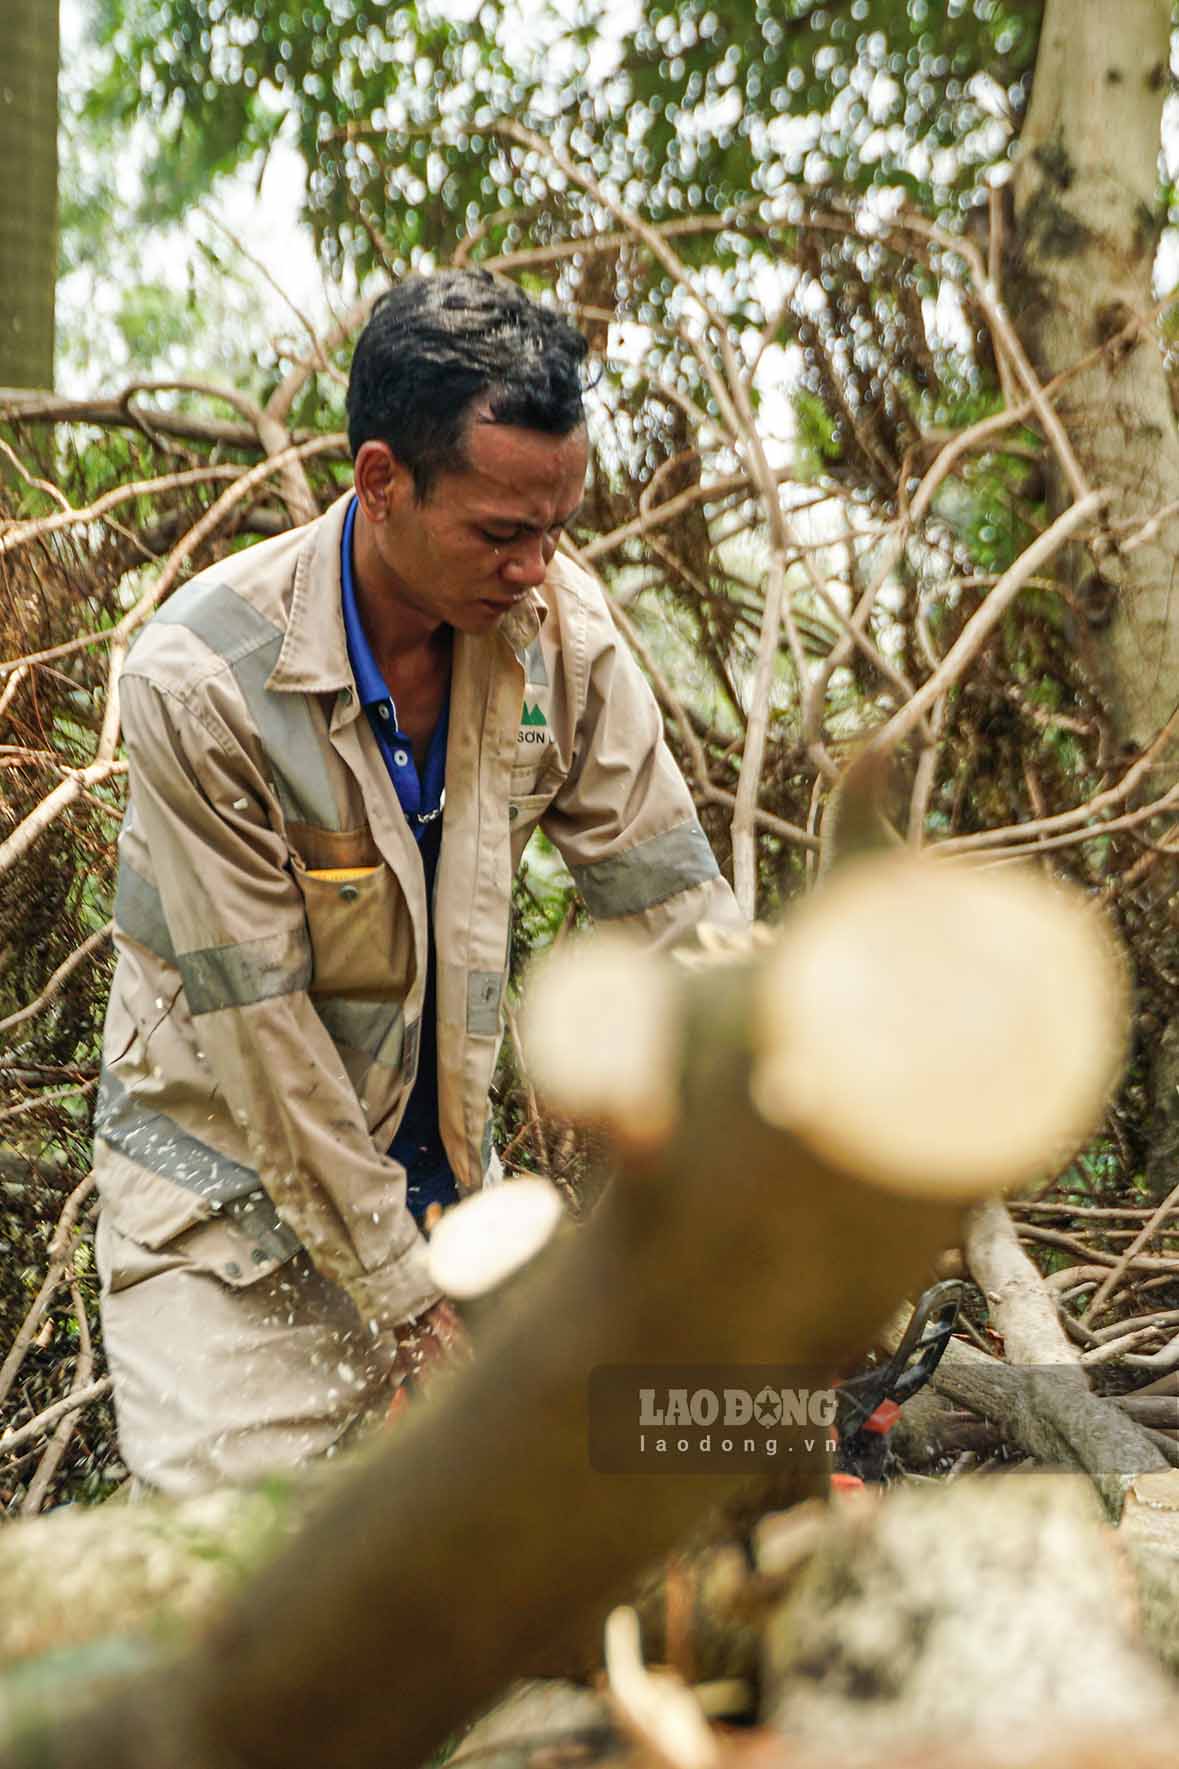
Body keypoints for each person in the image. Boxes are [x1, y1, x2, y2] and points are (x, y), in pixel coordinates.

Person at [92, 270, 743, 1495]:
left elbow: (680, 920)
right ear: (380, 481)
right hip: (225, 1211)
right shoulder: (201, 679)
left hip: (448, 1196)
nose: (538, 570)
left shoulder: (564, 640)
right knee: (244, 1585)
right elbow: (262, 1033)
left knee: (598, 1516)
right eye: (502, 533)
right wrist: (401, 1299)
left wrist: (791, 1119)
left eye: (559, 528)